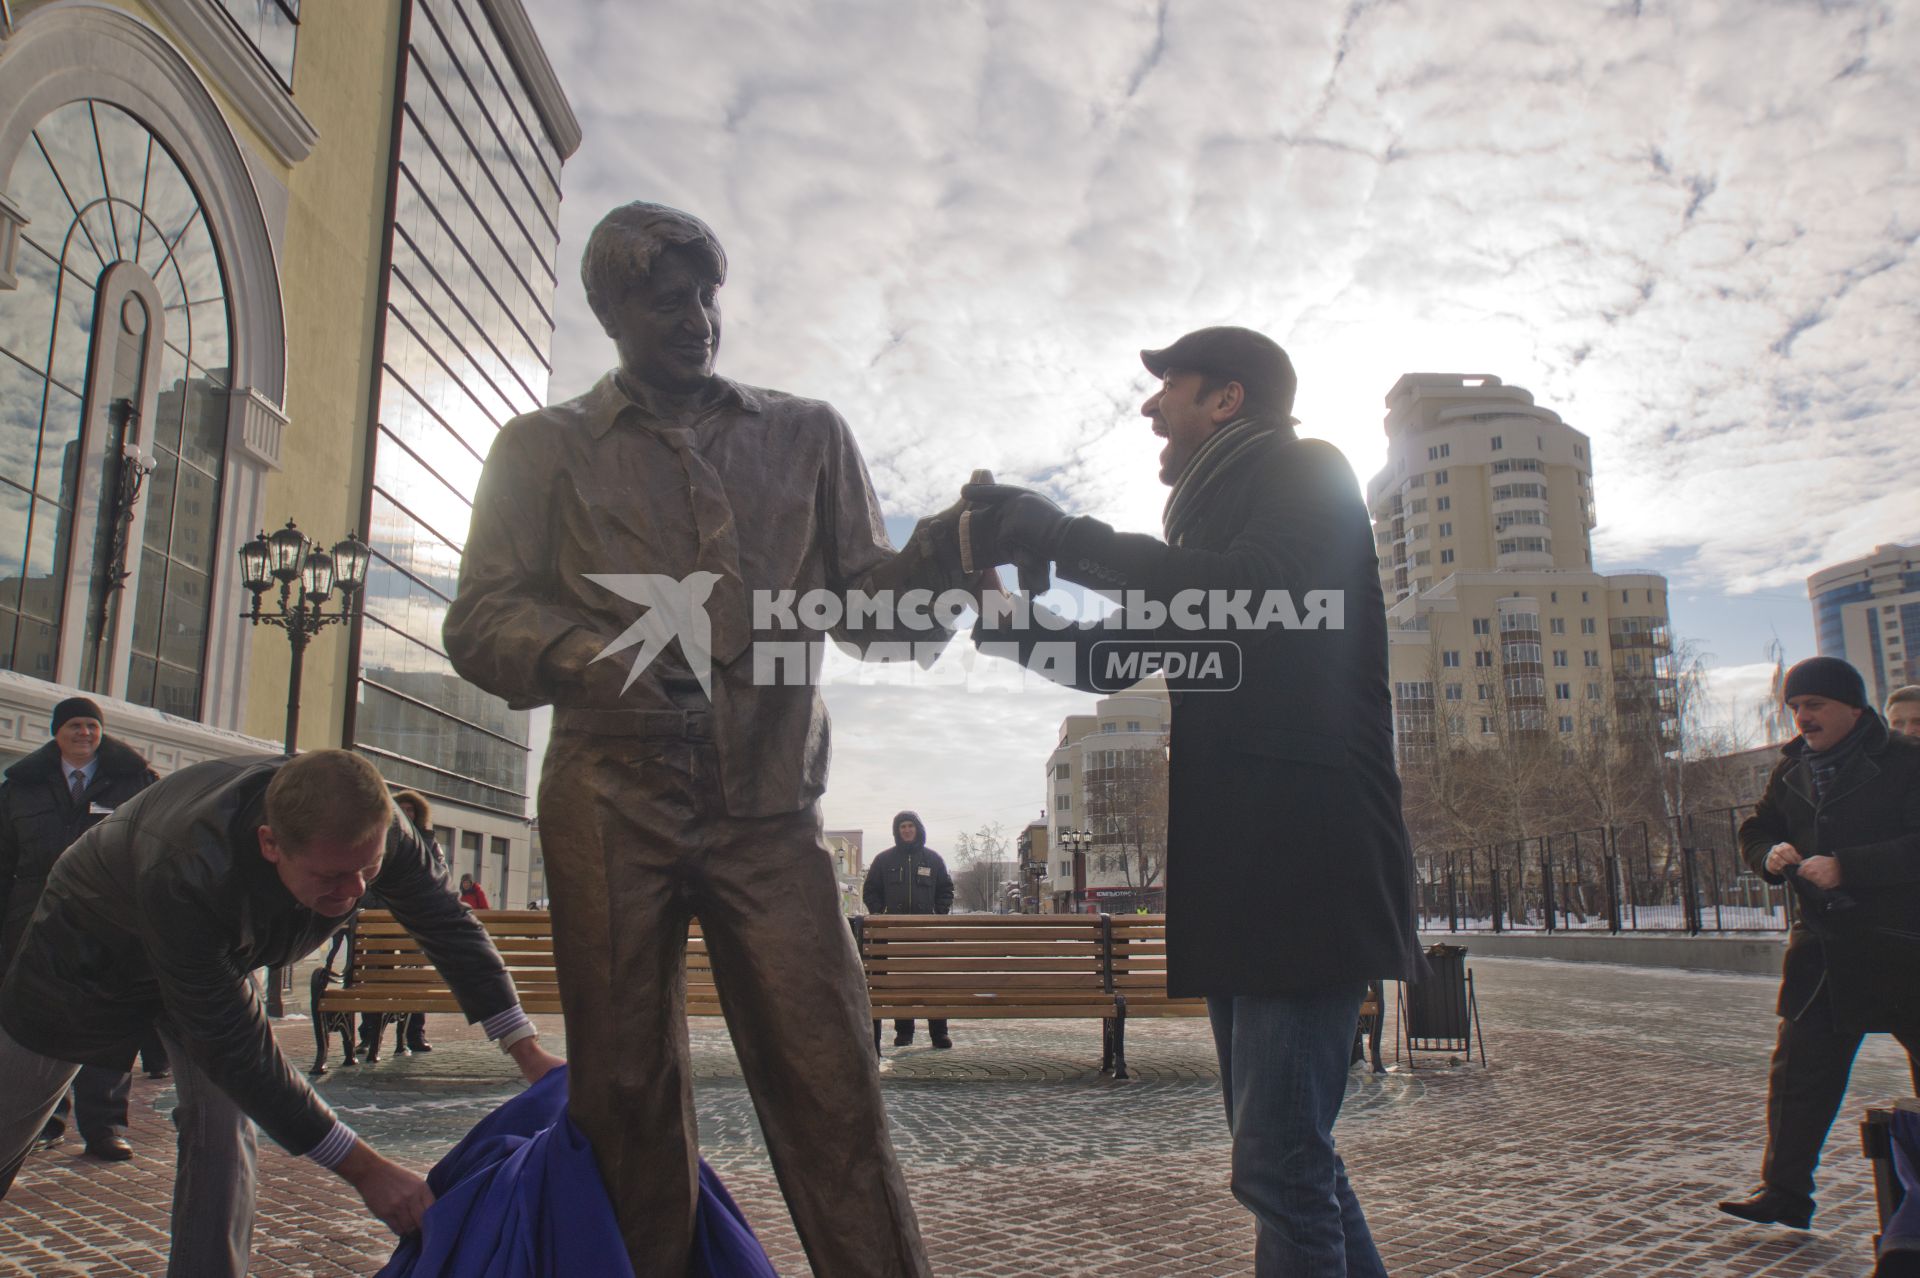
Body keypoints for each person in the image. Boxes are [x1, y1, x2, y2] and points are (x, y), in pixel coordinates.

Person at [443, 202, 975, 1277]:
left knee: (832, 1081)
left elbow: (869, 612)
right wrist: (592, 651)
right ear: (610, 312)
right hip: (608, 803)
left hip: (772, 811)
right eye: (666, 297)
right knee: (625, 1096)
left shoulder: (806, 433)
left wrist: (952, 552)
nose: (697, 319)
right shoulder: (540, 449)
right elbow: (479, 617)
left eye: (707, 295)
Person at [962, 326, 1423, 1276]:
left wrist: (1060, 536)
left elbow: (1251, 593)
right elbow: (1120, 659)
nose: (1148, 406)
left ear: (1228, 398)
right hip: (1246, 873)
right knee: (1293, 1164)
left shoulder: (1307, 470)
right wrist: (1013, 625)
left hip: (1309, 861)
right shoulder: (1210, 530)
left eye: (1167, 384)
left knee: (1281, 1164)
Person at [0, 749, 564, 1277]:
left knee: (224, 1125)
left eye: (366, 870)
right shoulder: (189, 869)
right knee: (11, 1113)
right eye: (330, 877)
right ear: (270, 843)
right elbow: (234, 1048)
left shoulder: (381, 829)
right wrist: (366, 1171)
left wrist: (526, 1048)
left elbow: (447, 924)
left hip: (213, 951)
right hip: (92, 945)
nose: (353, 892)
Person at [1718, 656, 1920, 1232]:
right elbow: (1756, 828)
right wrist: (1771, 855)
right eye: (1795, 707)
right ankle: (1785, 1192)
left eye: (1815, 706)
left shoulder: (1907, 761)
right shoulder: (1793, 768)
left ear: (1853, 708)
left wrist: (1850, 867)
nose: (1803, 718)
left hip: (1901, 946)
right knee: (1800, 1073)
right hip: (1823, 948)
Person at [0, 696, 158, 1161]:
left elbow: (150, 851)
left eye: (92, 725)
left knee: (108, 1022)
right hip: (35, 919)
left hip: (110, 919)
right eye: (74, 726)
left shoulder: (135, 784)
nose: (84, 734)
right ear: (57, 732)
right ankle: (45, 1120)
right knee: (40, 1020)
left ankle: (105, 1126)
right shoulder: (21, 789)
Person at [357, 790, 443, 1061]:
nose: (406, 814)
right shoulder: (380, 838)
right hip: (380, 922)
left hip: (412, 922)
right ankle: (369, 1033)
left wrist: (415, 903)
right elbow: (365, 877)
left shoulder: (429, 842)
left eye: (411, 810)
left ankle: (414, 1034)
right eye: (402, 809)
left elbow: (438, 877)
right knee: (374, 976)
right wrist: (377, 906)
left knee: (413, 977)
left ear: (418, 815)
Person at [862, 812, 956, 1048]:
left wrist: (939, 912)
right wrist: (880, 912)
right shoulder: (884, 860)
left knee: (931, 983)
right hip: (893, 934)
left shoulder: (933, 859)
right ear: (897, 831)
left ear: (918, 829)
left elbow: (946, 888)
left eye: (910, 826)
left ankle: (939, 1033)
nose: (906, 830)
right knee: (899, 983)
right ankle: (904, 1032)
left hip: (926, 933)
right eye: (902, 826)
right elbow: (870, 889)